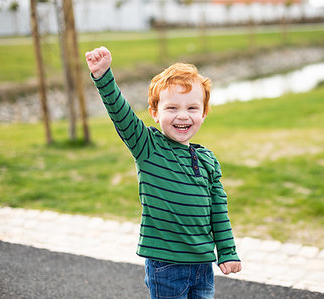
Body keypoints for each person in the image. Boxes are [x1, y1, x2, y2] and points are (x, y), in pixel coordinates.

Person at [85, 46, 242, 299]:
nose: (183, 115)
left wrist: (227, 251)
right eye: (172, 108)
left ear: (203, 112)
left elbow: (219, 211)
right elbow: (120, 114)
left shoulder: (208, 160)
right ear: (155, 113)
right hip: (166, 267)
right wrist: (103, 76)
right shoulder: (148, 146)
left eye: (192, 108)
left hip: (203, 265)